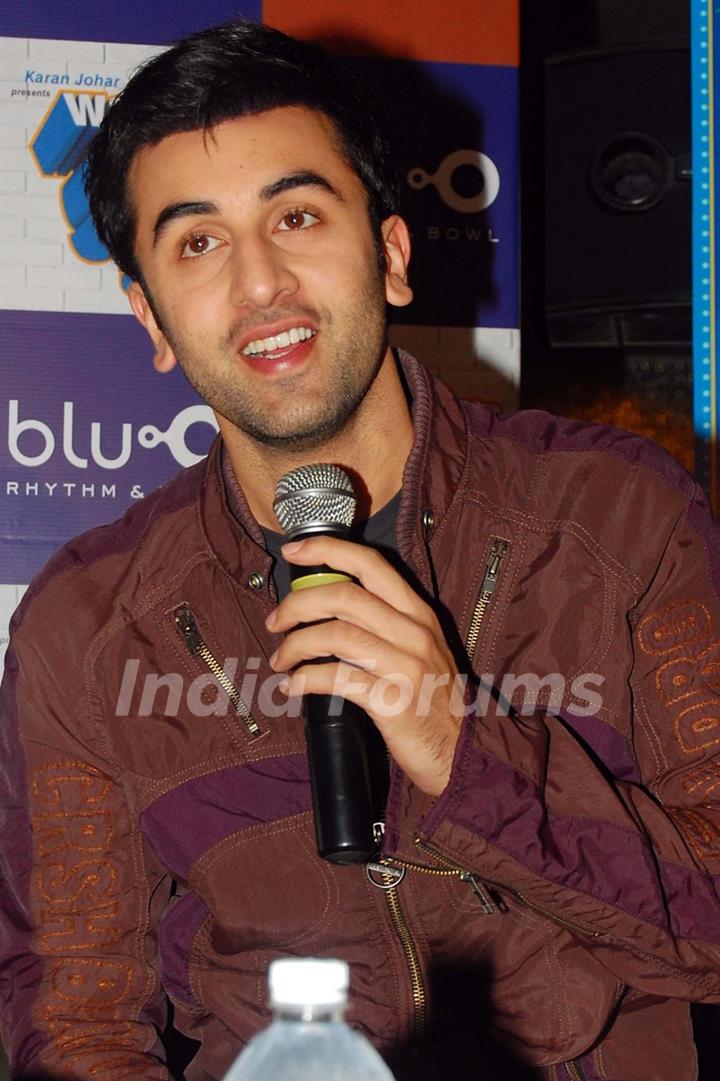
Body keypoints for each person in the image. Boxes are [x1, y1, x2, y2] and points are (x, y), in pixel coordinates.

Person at [1, 18, 719, 1081]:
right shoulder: (88, 622)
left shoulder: (618, 517)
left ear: (388, 253)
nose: (260, 285)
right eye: (198, 242)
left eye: (296, 216)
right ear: (150, 317)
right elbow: (74, 1015)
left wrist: (467, 751)